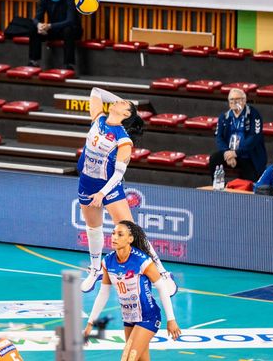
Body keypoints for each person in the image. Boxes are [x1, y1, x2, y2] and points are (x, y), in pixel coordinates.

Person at [78, 87, 177, 297]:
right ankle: (95, 269)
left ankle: (162, 273)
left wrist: (102, 194)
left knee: (132, 231)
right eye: (118, 101)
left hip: (109, 187)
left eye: (122, 104)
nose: (117, 102)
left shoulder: (123, 140)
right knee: (92, 227)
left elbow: (118, 174)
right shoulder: (98, 118)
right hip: (87, 183)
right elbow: (96, 91)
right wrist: (124, 103)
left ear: (125, 115)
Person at [84, 220, 182, 361]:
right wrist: (90, 323)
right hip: (129, 318)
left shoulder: (142, 261)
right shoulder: (108, 262)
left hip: (148, 317)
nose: (114, 237)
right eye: (113, 233)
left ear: (130, 239)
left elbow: (162, 288)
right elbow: (103, 293)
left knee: (128, 358)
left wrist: (171, 320)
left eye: (120, 234)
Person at [210, 88, 267, 182]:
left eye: (237, 99)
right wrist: (227, 153)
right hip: (229, 153)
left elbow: (254, 137)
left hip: (248, 155)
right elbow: (219, 137)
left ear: (244, 100)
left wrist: (236, 153)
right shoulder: (224, 117)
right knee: (214, 158)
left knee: (250, 183)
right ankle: (217, 185)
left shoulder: (253, 114)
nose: (234, 102)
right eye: (231, 99)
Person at [29, 0, 83, 70]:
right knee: (33, 28)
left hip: (70, 30)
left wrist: (50, 26)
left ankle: (69, 64)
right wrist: (39, 26)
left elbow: (70, 21)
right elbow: (36, 18)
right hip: (53, 30)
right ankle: (33, 61)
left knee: (68, 29)